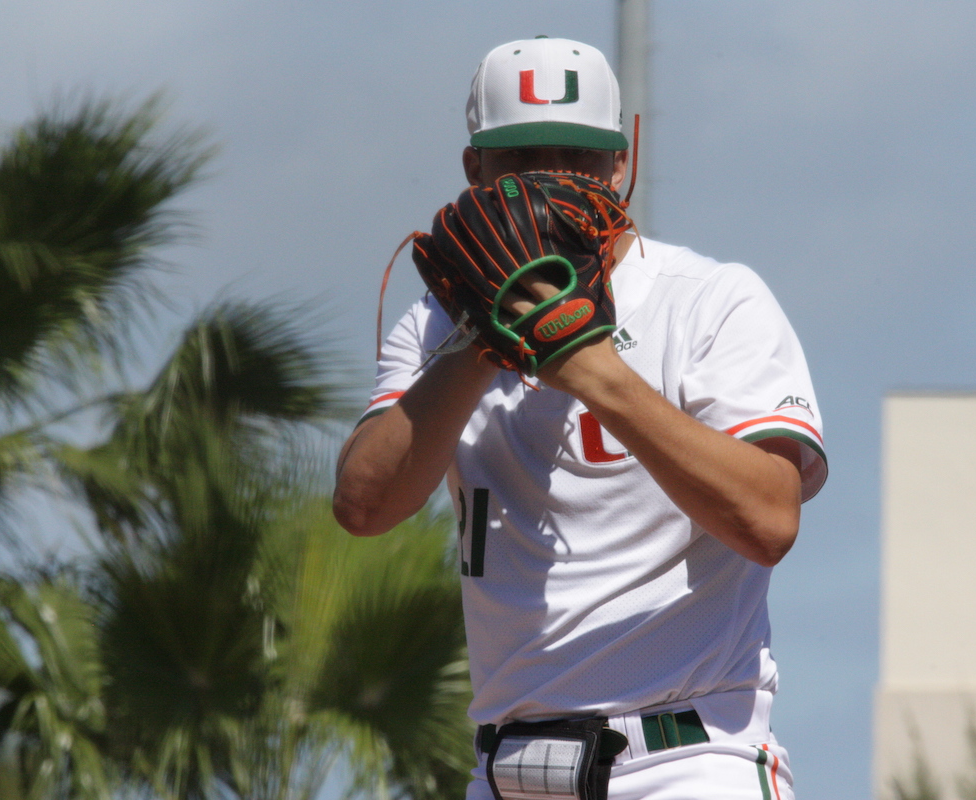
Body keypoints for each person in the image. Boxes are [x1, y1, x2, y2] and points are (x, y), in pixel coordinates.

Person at [334, 36, 827, 800]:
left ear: (622, 160)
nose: (554, 181)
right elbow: (364, 505)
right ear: (476, 172)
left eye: (579, 156)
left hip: (687, 759)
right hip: (505, 771)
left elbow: (769, 519)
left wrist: (597, 373)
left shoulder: (709, 299)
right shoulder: (438, 325)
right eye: (524, 159)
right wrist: (479, 337)